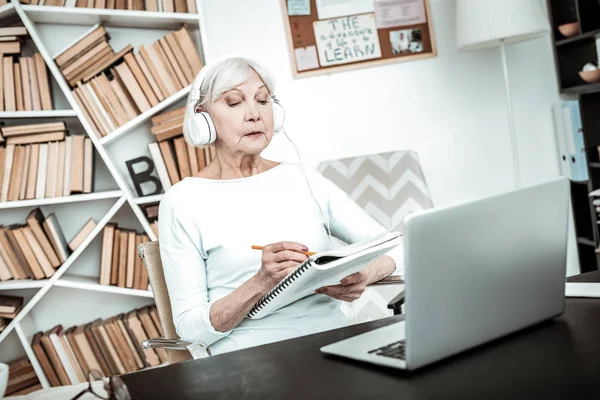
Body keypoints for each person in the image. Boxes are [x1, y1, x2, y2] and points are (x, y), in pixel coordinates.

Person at [158, 56, 404, 355]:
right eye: (234, 103)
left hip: (337, 345)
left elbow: (397, 249)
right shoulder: (183, 200)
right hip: (250, 361)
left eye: (262, 100)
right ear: (203, 118)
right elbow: (190, 329)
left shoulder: (303, 178)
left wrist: (364, 274)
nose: (254, 114)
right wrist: (260, 283)